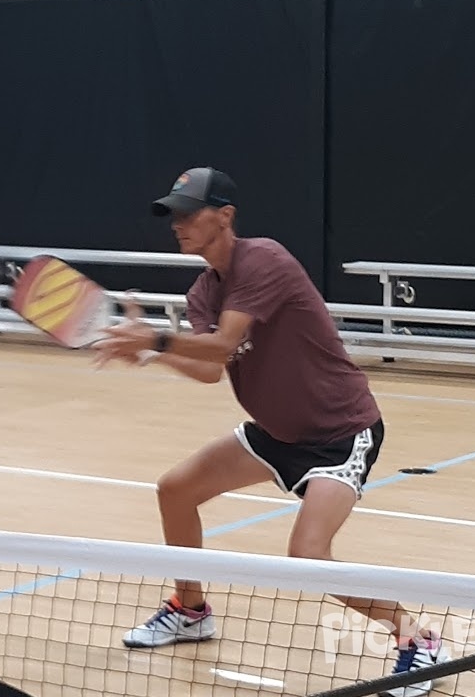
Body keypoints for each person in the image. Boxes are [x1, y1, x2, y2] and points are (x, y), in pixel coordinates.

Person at [92, 167, 447, 697]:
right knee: (175, 490)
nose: (179, 224)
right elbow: (212, 368)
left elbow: (220, 344)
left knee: (307, 556)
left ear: (226, 216)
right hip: (274, 435)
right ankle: (190, 611)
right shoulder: (203, 291)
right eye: (173, 215)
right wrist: (150, 353)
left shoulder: (264, 261)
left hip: (339, 433)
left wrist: (157, 340)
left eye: (190, 213)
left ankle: (417, 640)